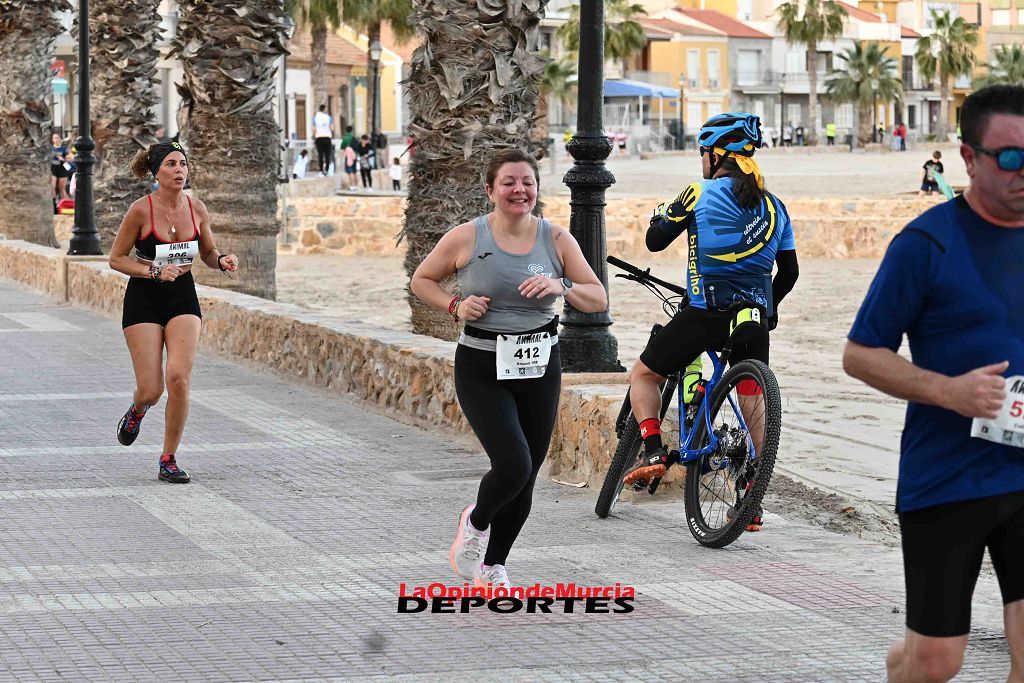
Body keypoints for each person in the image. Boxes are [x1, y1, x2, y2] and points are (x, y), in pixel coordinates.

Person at [843, 84, 1024, 683]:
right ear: (969, 158)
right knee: (936, 662)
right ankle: (906, 664)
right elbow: (861, 354)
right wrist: (949, 391)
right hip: (948, 475)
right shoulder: (925, 245)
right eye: (1012, 157)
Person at [410, 148, 607, 588]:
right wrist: (456, 304)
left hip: (540, 364)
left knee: (528, 473)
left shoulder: (556, 240)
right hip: (482, 363)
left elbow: (598, 298)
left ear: (537, 188)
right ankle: (476, 523)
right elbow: (421, 280)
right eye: (509, 183)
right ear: (490, 190)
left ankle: (493, 566)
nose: (520, 190)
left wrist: (563, 284)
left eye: (528, 182)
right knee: (513, 463)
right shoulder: (467, 237)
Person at [623, 113, 800, 532]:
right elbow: (789, 274)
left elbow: (654, 240)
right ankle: (753, 491)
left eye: (703, 152)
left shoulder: (697, 192)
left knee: (644, 374)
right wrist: (765, 311)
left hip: (705, 312)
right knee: (751, 394)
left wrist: (662, 214)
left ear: (715, 154)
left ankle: (651, 450)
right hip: (754, 315)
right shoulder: (775, 206)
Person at [107, 141, 239, 484]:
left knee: (178, 378)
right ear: (156, 173)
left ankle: (168, 458)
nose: (179, 170)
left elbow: (208, 252)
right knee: (151, 390)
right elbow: (117, 258)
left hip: (182, 297)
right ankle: (138, 410)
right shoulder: (140, 210)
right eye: (171, 164)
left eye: (183, 163)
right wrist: (153, 270)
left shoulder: (197, 208)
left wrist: (222, 261)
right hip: (145, 300)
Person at [312, 104, 333, 176]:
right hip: (327, 137)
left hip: (319, 137)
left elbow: (314, 129)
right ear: (324, 109)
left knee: (320, 155)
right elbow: (331, 128)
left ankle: (321, 170)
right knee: (327, 155)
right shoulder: (329, 117)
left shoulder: (315, 117)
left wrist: (315, 136)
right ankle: (326, 170)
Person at [51, 132, 71, 204]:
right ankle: (53, 205)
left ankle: (65, 205)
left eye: (57, 138)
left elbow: (69, 159)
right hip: (53, 169)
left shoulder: (64, 149)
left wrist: (63, 159)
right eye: (54, 138)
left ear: (60, 139)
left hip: (62, 168)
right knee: (52, 187)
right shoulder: (50, 149)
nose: (55, 139)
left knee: (62, 189)